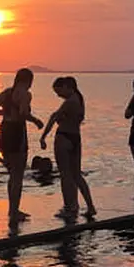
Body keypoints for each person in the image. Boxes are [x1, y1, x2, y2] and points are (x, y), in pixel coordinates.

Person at [0, 68, 44, 225]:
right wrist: (36, 121)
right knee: (18, 175)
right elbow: (23, 113)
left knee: (12, 174)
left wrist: (6, 112)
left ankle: (12, 209)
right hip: (17, 132)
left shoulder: (6, 93)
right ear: (28, 80)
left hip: (4, 131)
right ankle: (14, 212)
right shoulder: (25, 94)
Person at [40, 77, 96, 218]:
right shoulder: (79, 100)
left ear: (67, 86)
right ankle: (88, 206)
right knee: (76, 175)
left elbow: (54, 118)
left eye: (59, 91)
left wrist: (43, 137)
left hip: (64, 137)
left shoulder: (69, 102)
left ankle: (69, 207)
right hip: (76, 138)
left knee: (65, 175)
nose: (58, 95)